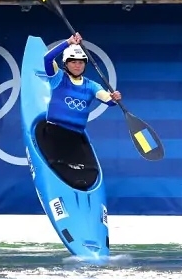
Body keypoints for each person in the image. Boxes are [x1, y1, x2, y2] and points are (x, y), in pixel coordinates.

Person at [35, 32, 122, 191]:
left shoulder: (91, 85)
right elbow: (47, 59)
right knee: (60, 165)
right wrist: (68, 43)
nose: (77, 65)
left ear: (85, 64)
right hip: (54, 132)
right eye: (73, 62)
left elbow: (107, 99)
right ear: (65, 64)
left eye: (81, 62)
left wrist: (113, 98)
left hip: (76, 136)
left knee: (88, 171)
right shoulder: (58, 78)